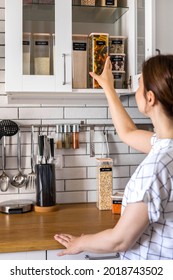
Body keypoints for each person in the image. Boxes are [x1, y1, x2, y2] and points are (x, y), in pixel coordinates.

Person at [54, 54, 173, 260]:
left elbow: (119, 240)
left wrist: (80, 242)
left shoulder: (155, 167)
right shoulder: (165, 149)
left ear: (150, 98)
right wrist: (108, 87)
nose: (137, 91)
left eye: (139, 86)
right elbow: (127, 132)